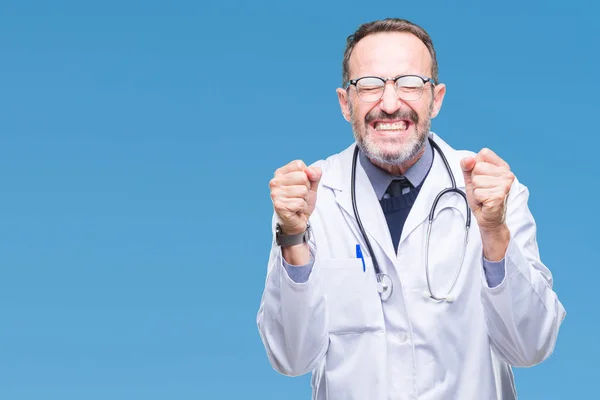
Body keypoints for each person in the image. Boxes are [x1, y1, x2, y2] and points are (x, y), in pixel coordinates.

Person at [256, 18, 566, 400]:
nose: (389, 104)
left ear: (436, 98)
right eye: (368, 85)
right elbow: (291, 358)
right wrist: (293, 238)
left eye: (409, 84)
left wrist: (494, 233)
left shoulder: (495, 191)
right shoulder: (307, 202)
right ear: (345, 103)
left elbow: (531, 347)